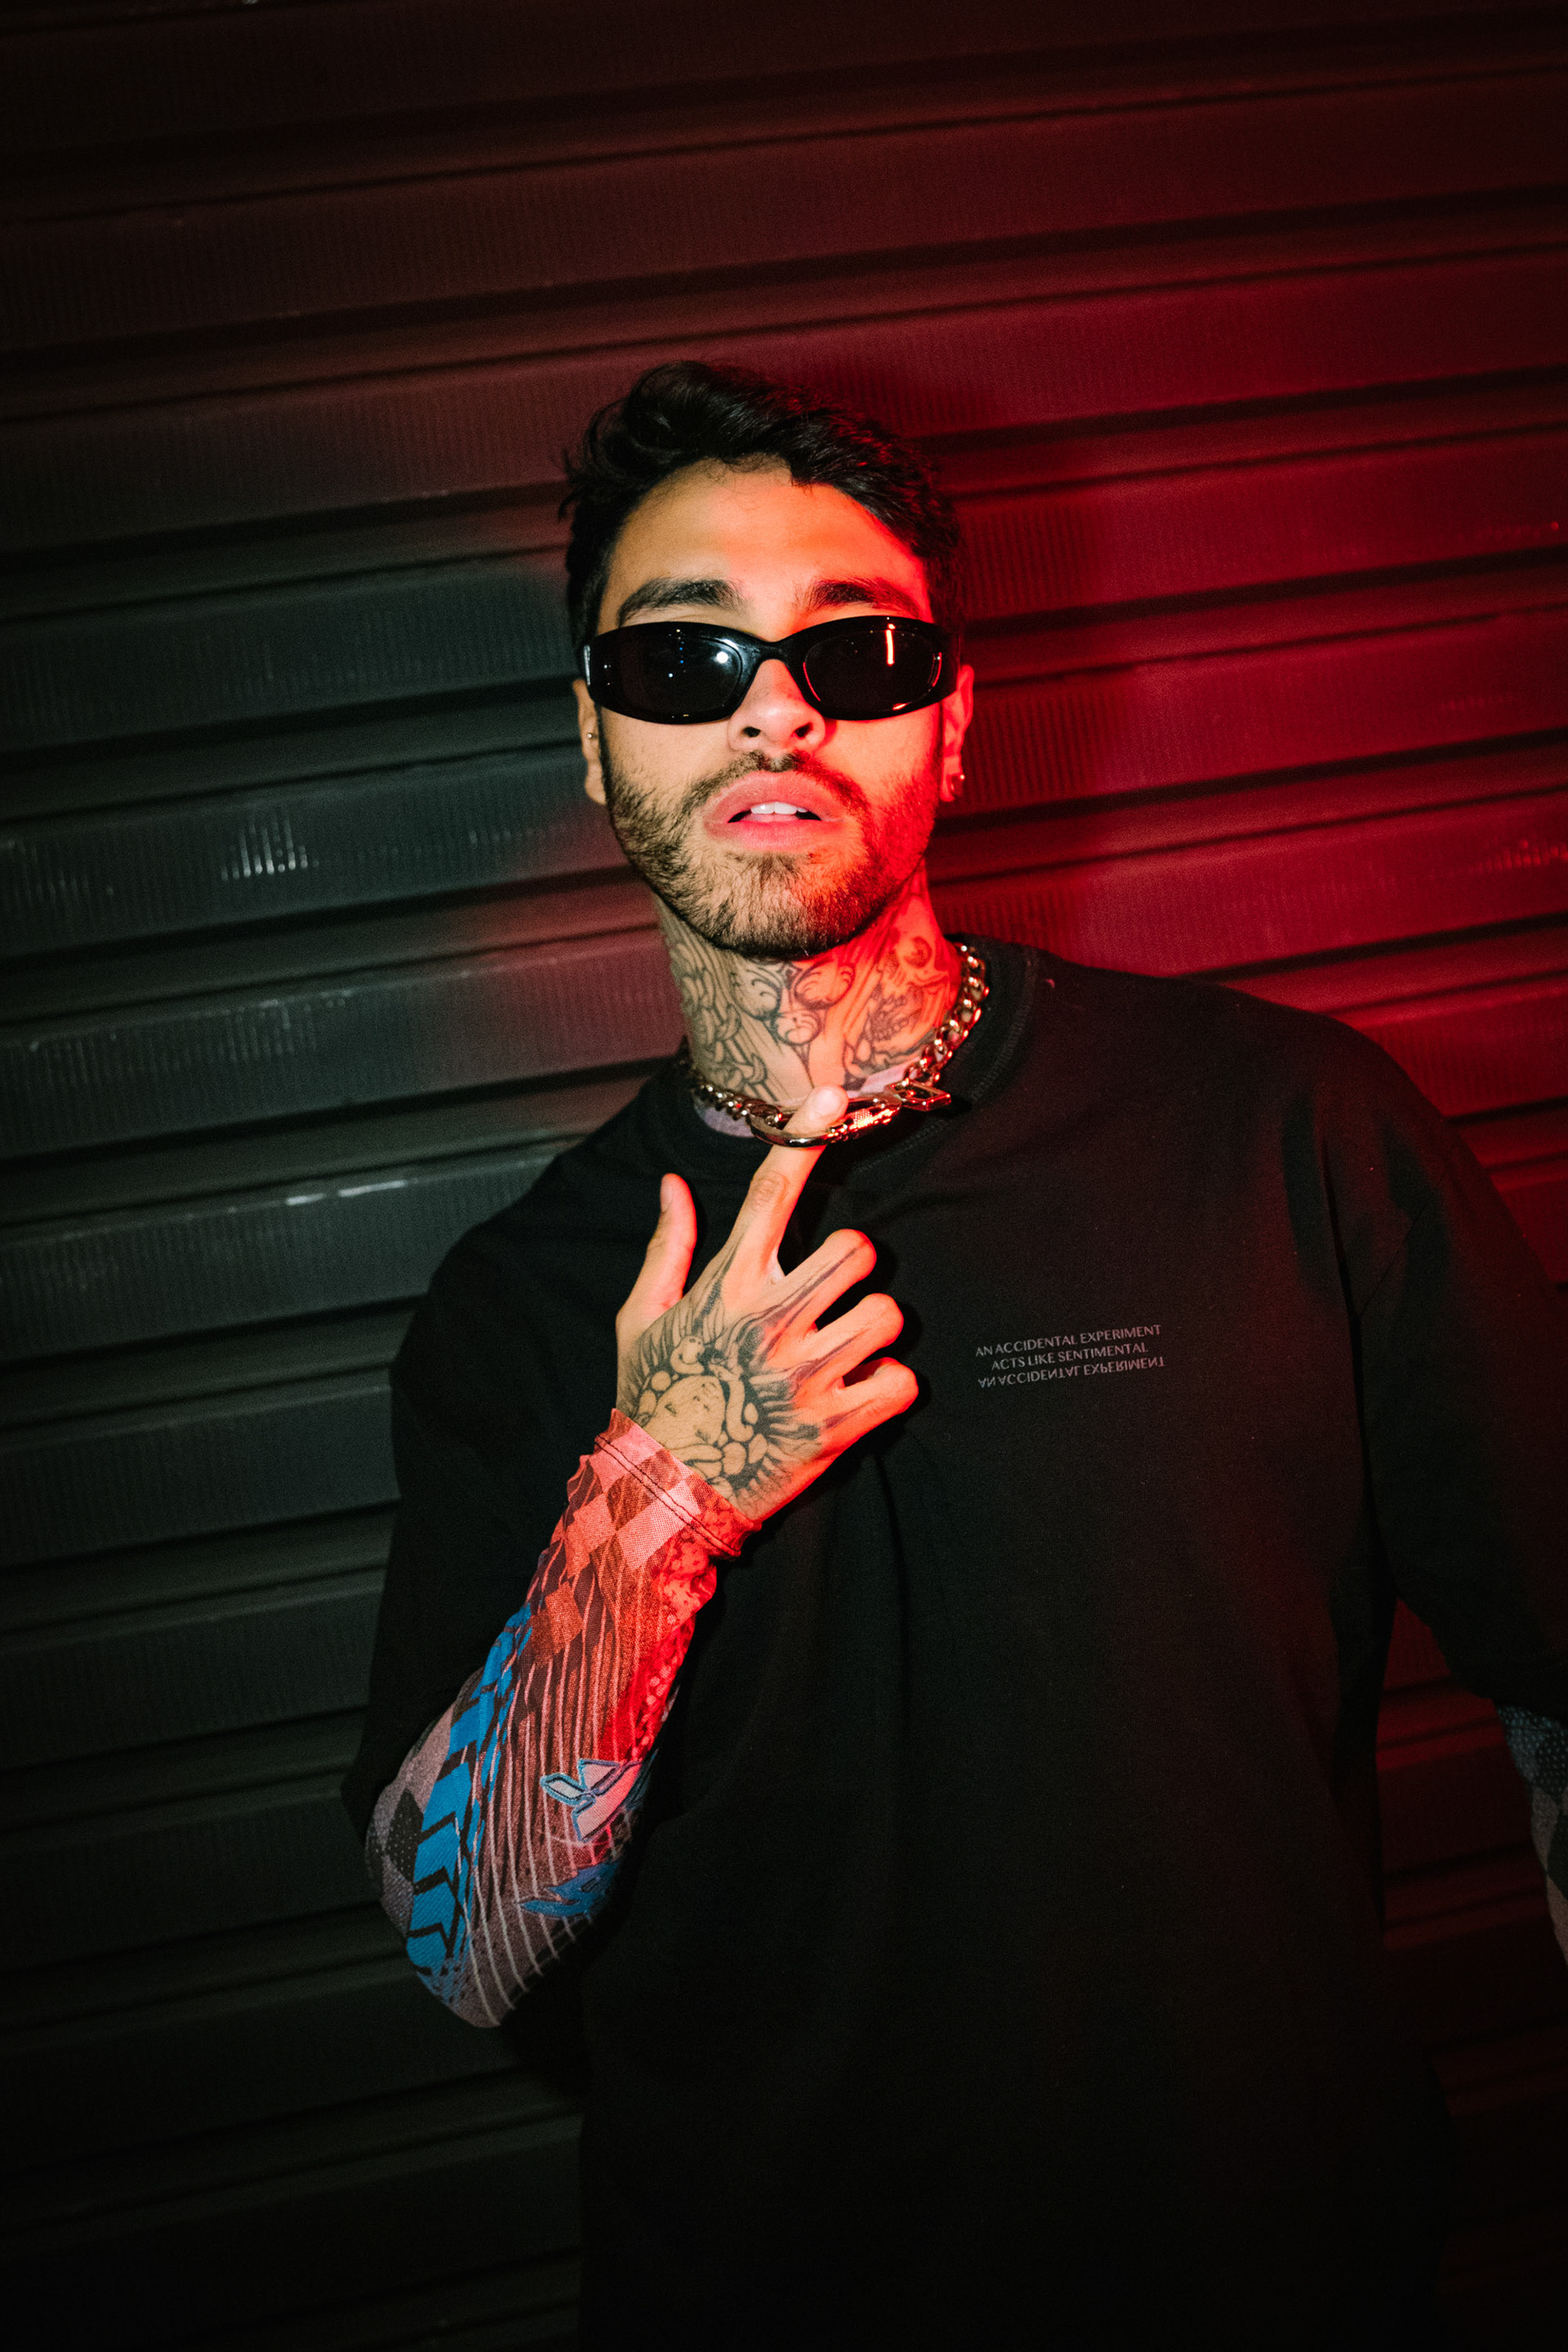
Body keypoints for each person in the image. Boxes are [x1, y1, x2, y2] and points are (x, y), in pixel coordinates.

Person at [344, 361, 1568, 2347]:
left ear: (959, 720)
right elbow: (461, 1951)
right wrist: (653, 1504)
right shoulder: (522, 1305)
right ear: (594, 739)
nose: (776, 708)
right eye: (684, 658)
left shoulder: (1282, 1131)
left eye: (857, 650)